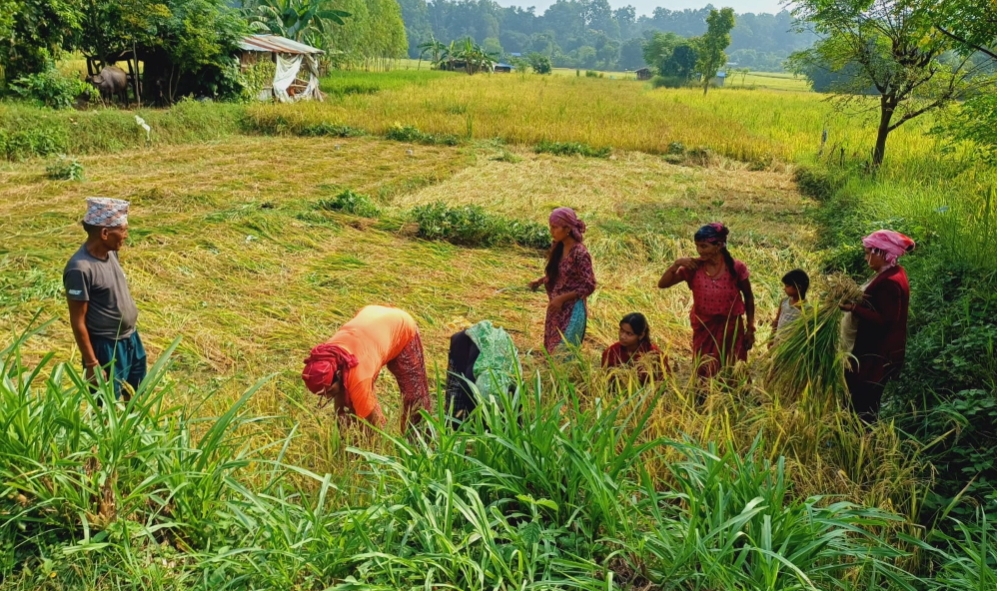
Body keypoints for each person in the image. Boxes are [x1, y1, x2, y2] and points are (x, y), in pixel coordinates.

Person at [63, 197, 146, 400]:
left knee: (134, 396)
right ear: (105, 233)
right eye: (123, 230)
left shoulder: (111, 254)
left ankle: (131, 432)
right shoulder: (80, 269)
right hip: (106, 347)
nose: (126, 236)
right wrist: (92, 364)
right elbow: (78, 321)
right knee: (106, 406)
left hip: (131, 339)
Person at [302, 305, 432, 432]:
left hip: (400, 325)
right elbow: (342, 406)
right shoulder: (327, 357)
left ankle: (418, 443)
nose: (326, 396)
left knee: (414, 397)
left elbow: (373, 426)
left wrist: (376, 445)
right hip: (369, 319)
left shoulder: (359, 377)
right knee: (351, 402)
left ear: (339, 373)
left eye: (328, 391)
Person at [657, 223, 756, 378]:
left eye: (704, 246)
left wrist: (750, 328)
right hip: (704, 327)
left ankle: (730, 398)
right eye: (697, 246)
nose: (699, 251)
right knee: (704, 367)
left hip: (730, 330)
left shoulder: (736, 268)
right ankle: (704, 397)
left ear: (719, 245)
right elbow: (663, 284)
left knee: (731, 366)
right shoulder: (693, 267)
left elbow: (749, 297)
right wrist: (677, 264)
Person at [839, 230, 914, 422]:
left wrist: (854, 308)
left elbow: (886, 320)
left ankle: (861, 443)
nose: (866, 257)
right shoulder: (891, 273)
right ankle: (856, 440)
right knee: (861, 401)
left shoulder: (890, 282)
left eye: (868, 252)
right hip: (874, 354)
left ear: (881, 253)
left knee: (863, 404)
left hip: (876, 357)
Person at [528, 207, 597, 353]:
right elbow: (561, 275)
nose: (551, 231)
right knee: (551, 350)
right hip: (556, 309)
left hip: (571, 309)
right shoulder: (558, 247)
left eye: (554, 227)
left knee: (563, 352)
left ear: (567, 229)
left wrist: (562, 298)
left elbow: (589, 285)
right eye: (550, 227)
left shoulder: (580, 253)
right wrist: (541, 281)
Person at [444, 320, 521, 428]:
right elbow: (454, 395)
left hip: (497, 350)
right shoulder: (469, 384)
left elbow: (517, 413)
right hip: (465, 348)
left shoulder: (509, 380)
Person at [601, 312, 668, 383]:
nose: (622, 336)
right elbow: (606, 379)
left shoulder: (654, 355)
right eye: (621, 330)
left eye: (629, 334)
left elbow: (664, 381)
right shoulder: (611, 352)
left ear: (641, 335)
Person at [769, 269, 809, 347]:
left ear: (799, 288)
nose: (784, 288)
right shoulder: (784, 302)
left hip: (792, 347)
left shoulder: (806, 309)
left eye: (787, 286)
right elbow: (776, 321)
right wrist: (771, 339)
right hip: (778, 341)